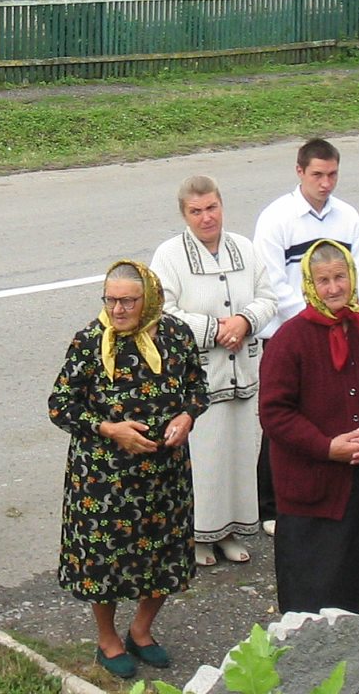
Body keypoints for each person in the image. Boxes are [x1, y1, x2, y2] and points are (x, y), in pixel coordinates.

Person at [49, 260, 208, 680]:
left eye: (128, 301)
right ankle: (107, 639)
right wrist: (110, 429)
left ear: (149, 299)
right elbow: (60, 405)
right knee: (105, 562)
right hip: (103, 478)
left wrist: (187, 416)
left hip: (164, 475)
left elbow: (197, 386)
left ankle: (141, 630)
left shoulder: (176, 335)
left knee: (162, 557)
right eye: (111, 300)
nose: (118, 310)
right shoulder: (89, 342)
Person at [259, 239, 359, 615]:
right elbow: (275, 413)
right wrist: (328, 447)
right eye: (323, 280)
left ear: (352, 277)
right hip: (312, 492)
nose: (333, 289)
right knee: (314, 597)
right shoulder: (289, 340)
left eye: (340, 278)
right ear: (310, 284)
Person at [150, 175, 276, 565]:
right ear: (184, 214)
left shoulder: (245, 248)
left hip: (243, 376)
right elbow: (160, 312)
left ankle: (232, 531)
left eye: (212, 208)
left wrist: (244, 321)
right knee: (206, 459)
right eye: (196, 211)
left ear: (222, 205)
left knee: (238, 455)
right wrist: (214, 330)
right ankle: (198, 536)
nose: (207, 218)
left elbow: (268, 296)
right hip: (200, 379)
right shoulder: (169, 256)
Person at [252, 137, 359, 535]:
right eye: (318, 174)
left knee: (330, 410)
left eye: (332, 174)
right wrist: (309, 323)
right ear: (299, 171)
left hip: (341, 328)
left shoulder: (348, 217)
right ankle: (270, 503)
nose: (326, 183)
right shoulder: (276, 218)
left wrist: (347, 315)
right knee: (284, 418)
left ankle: (327, 489)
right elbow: (272, 281)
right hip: (291, 335)